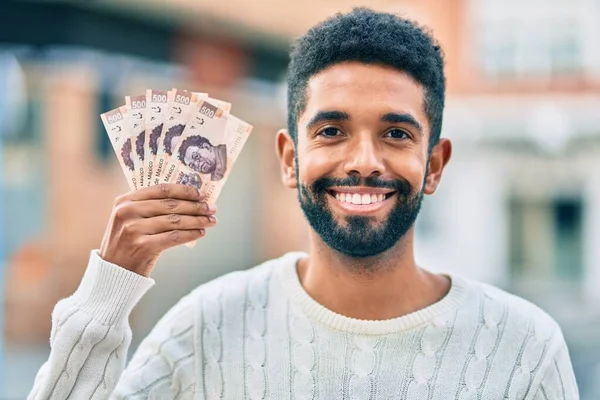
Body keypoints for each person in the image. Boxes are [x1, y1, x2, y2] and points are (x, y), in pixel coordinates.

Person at [28, 8, 578, 400]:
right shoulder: (205, 328)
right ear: (289, 159)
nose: (364, 160)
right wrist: (107, 294)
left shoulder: (523, 348)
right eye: (332, 130)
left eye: (396, 134)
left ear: (434, 165)